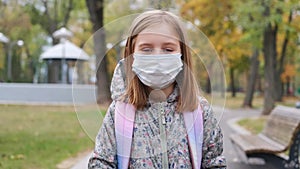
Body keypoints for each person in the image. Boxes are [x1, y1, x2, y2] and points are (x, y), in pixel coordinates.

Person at [88, 10, 226, 169]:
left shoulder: (200, 111)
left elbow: (215, 163)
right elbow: (101, 163)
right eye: (146, 49)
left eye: (168, 49)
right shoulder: (119, 112)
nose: (157, 57)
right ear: (131, 55)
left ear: (182, 54)